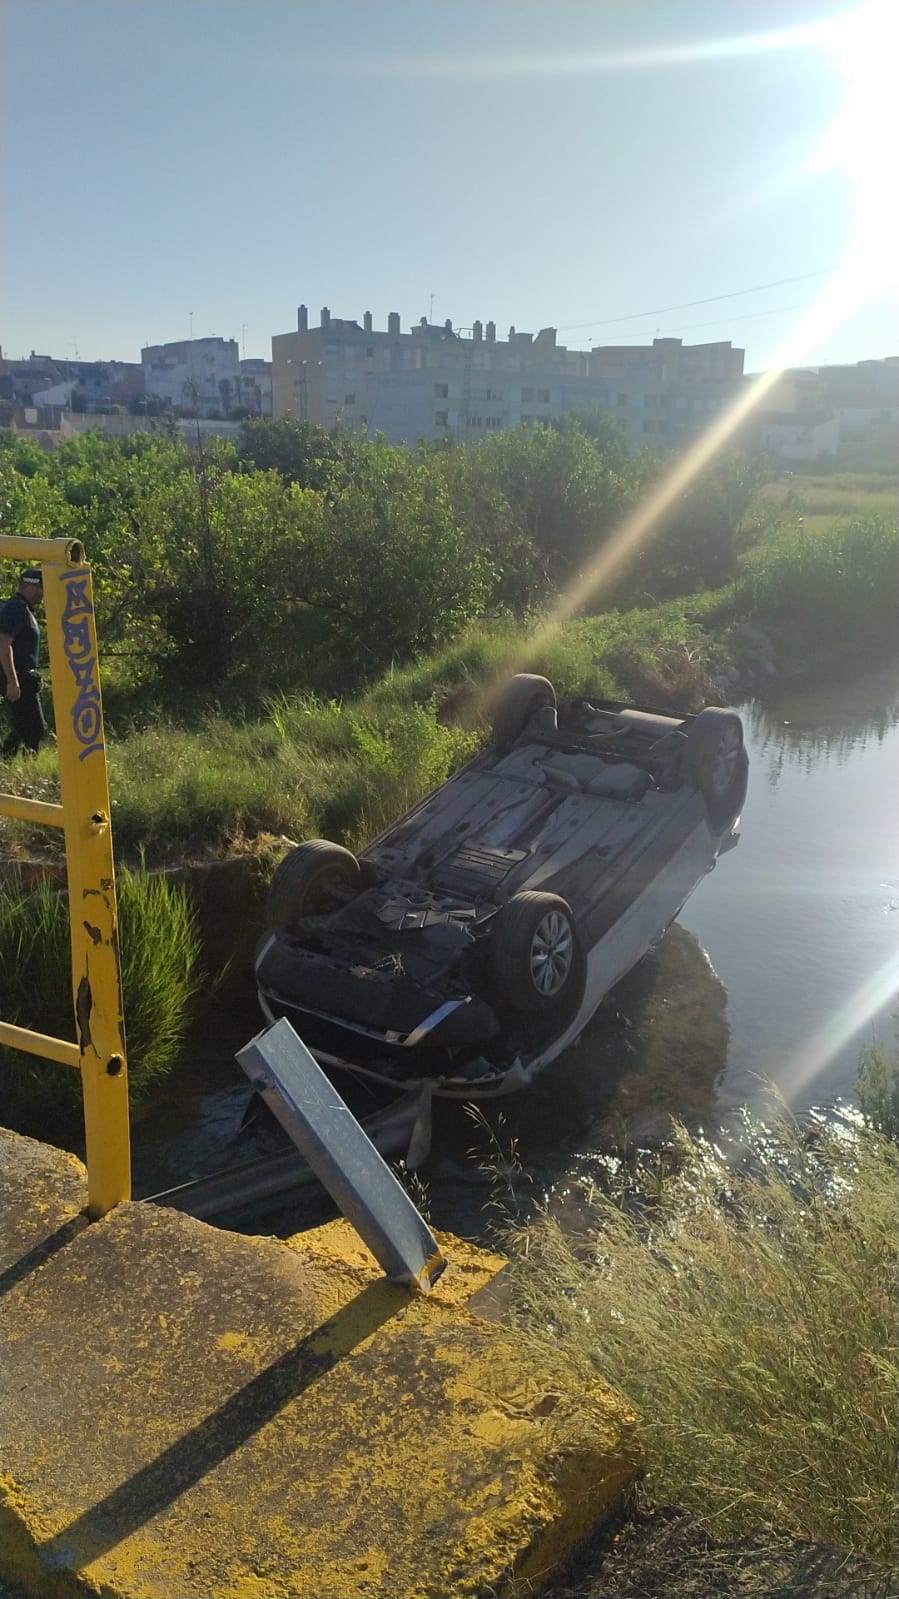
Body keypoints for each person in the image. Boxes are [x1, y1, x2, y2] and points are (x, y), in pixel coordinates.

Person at [1, 567, 47, 758]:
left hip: (24, 676)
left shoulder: (22, 608)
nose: (44, 594)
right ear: (31, 586)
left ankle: (10, 763)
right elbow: (3, 644)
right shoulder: (16, 608)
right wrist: (13, 681)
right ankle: (8, 761)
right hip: (17, 676)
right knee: (34, 728)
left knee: (27, 727)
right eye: (43, 588)